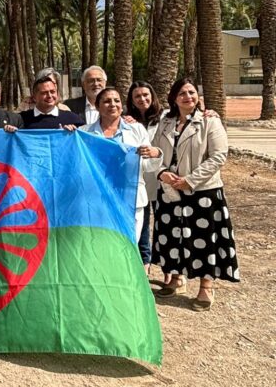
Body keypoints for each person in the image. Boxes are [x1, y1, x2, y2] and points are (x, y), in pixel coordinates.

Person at [150, 77, 239, 311]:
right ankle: (176, 279)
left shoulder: (209, 121)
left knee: (203, 240)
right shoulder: (166, 122)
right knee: (172, 237)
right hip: (170, 190)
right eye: (182, 93)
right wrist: (162, 174)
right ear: (174, 98)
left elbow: (218, 155)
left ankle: (205, 288)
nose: (188, 97)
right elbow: (155, 151)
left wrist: (189, 180)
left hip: (203, 192)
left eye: (191, 92)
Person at [81, 88, 162, 244]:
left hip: (130, 199)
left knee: (128, 246)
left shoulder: (137, 129)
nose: (112, 104)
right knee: (102, 246)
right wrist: (68, 134)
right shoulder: (84, 132)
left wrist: (155, 153)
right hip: (98, 200)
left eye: (116, 100)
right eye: (106, 101)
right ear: (97, 107)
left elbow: (147, 166)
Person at [126, 81, 165, 275]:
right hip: (139, 183)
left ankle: (171, 272)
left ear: (153, 96)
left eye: (145, 95)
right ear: (131, 101)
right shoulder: (127, 122)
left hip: (162, 179)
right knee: (142, 228)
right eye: (137, 96)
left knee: (165, 226)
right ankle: (145, 265)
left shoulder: (166, 117)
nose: (142, 99)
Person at [20, 77, 84, 130]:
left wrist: (72, 133)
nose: (49, 96)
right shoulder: (20, 119)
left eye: (52, 92)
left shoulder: (72, 119)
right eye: (44, 93)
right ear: (34, 97)